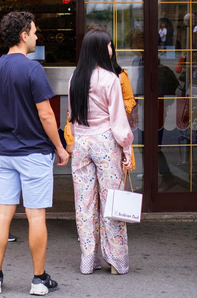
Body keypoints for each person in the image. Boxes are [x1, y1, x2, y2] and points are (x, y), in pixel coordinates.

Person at [0, 11, 70, 295]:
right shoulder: (33, 69)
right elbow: (46, 115)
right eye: (33, 31)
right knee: (35, 217)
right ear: (23, 35)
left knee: (3, 215)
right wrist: (59, 147)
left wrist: (1, 139)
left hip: (5, 152)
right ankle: (38, 279)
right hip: (33, 153)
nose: (36, 36)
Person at [66, 29, 133, 275]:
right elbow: (118, 120)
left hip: (82, 141)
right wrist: (127, 147)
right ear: (101, 49)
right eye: (109, 45)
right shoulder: (110, 78)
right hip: (105, 142)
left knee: (84, 202)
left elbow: (73, 115)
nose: (112, 49)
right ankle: (116, 261)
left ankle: (87, 259)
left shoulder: (76, 77)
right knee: (111, 200)